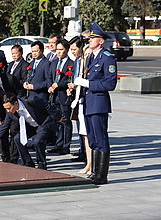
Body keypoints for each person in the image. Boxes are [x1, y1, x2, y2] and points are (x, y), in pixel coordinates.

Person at [74, 22, 117, 185]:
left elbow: (110, 84)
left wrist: (88, 84)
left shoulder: (107, 58)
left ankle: (102, 175)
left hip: (98, 103)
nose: (89, 40)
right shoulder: (91, 57)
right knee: (92, 139)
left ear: (101, 41)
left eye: (93, 38)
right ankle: (95, 171)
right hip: (88, 103)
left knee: (100, 138)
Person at [0, 93, 65, 170]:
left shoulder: (31, 100)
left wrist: (57, 118)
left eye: (9, 108)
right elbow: (4, 126)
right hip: (30, 127)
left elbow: (47, 106)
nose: (8, 110)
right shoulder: (10, 113)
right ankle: (28, 162)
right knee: (17, 138)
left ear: (16, 103)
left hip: (42, 123)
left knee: (37, 141)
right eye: (6, 108)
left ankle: (42, 163)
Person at [67, 36, 92, 174]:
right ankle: (88, 163)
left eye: (74, 49)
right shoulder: (78, 61)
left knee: (89, 134)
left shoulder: (88, 61)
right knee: (84, 134)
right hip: (79, 99)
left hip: (88, 99)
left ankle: (92, 163)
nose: (73, 52)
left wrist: (77, 83)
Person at [47, 39, 74, 155]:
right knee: (57, 120)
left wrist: (59, 84)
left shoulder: (71, 64)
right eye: (57, 49)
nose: (58, 52)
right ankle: (58, 144)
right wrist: (50, 86)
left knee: (66, 121)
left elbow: (69, 79)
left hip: (64, 95)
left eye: (61, 50)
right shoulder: (54, 62)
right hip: (54, 95)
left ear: (67, 50)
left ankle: (66, 145)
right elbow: (49, 76)